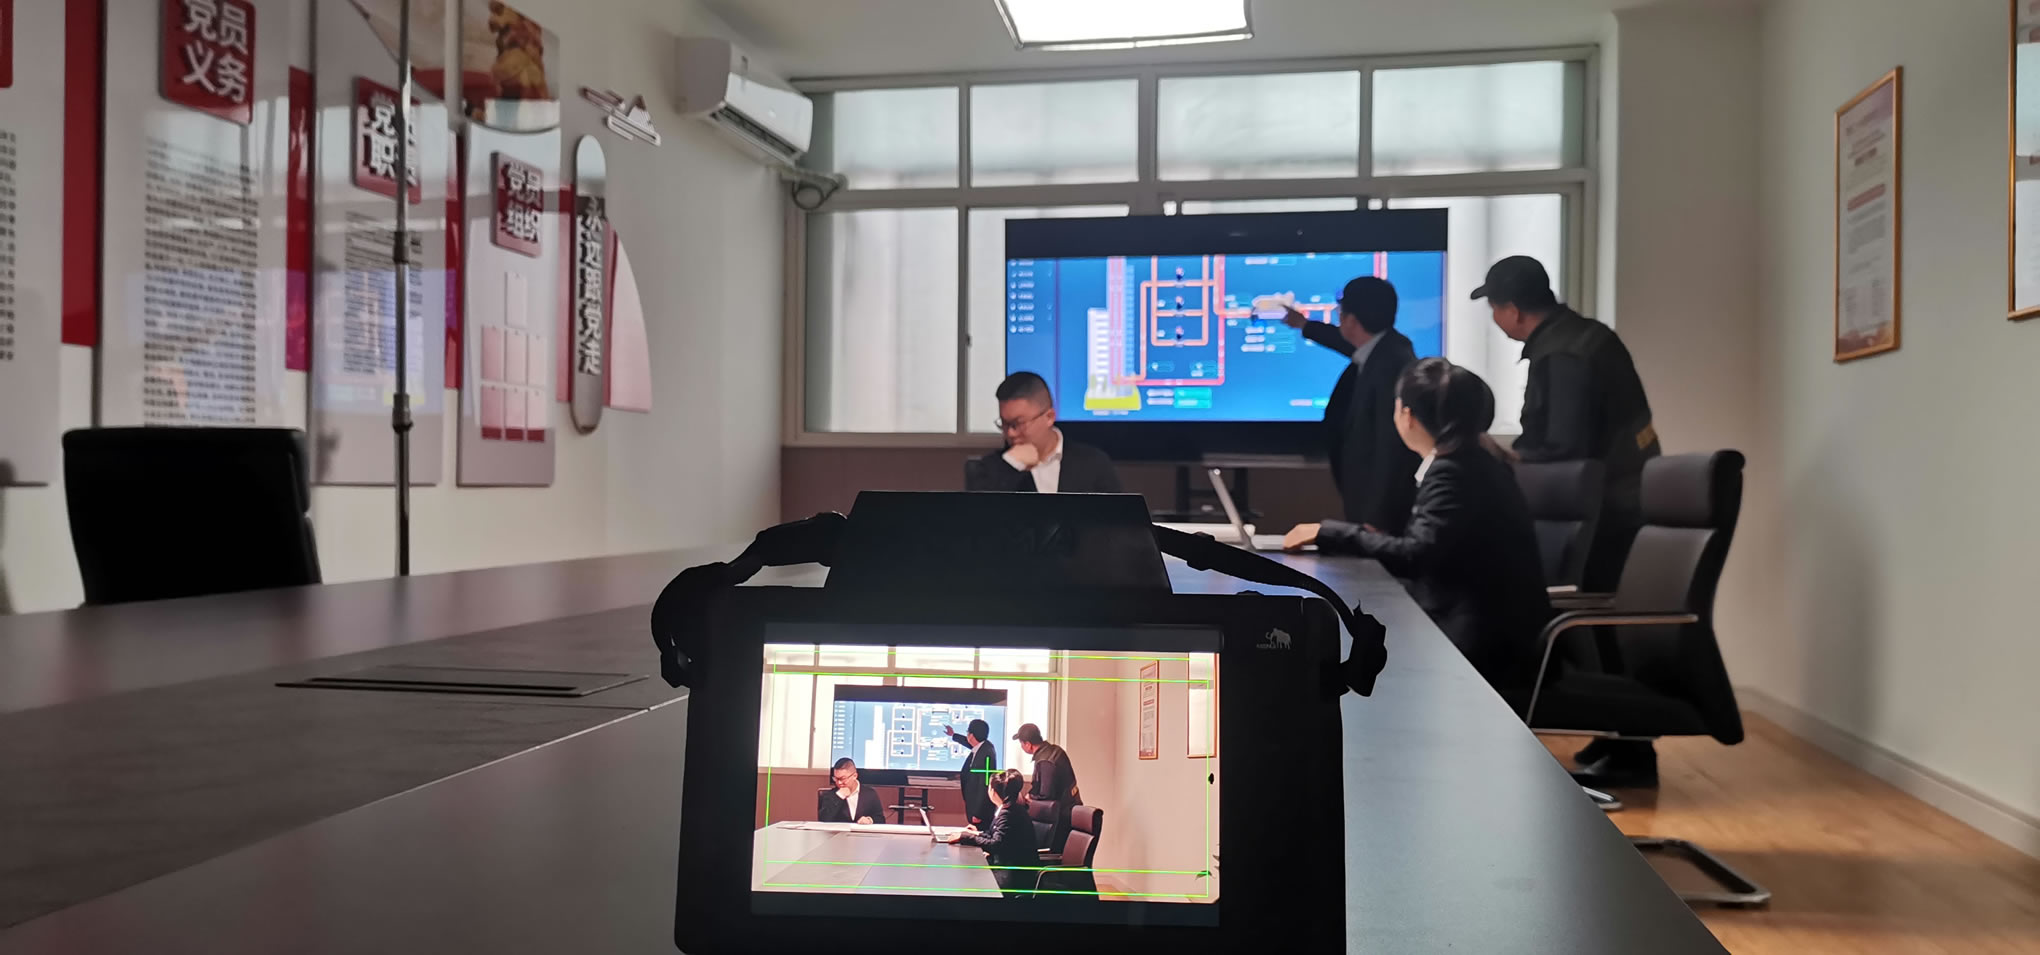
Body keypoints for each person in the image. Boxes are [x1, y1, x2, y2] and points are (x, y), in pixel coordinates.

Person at [1472, 256, 1662, 787]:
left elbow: (1563, 444)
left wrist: (1505, 459)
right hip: (1620, 500)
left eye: (1494, 309)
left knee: (1597, 624)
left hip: (1606, 511)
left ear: (1512, 310)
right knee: (1600, 624)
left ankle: (1632, 748)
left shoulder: (1563, 353)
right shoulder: (1583, 336)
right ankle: (1617, 738)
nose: (1495, 320)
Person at [1282, 359, 1552, 693]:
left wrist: (1328, 532)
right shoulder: (1481, 460)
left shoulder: (1452, 471)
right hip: (1495, 633)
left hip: (1481, 649)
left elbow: (1416, 555)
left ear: (1406, 415)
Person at [1282, 276, 1423, 534]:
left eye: (1341, 313)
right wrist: (1304, 325)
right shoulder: (1385, 349)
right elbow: (1343, 341)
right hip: (1369, 508)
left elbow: (1390, 450)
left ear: (1351, 320)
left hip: (1379, 518)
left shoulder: (1388, 367)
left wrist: (1377, 521)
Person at [966, 372, 1122, 494]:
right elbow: (982, 519)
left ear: (1049, 417)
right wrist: (1011, 466)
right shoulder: (988, 469)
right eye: (1004, 424)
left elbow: (1115, 521)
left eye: (1018, 424)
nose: (1011, 433)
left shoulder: (1093, 463)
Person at [939, 768, 1039, 899]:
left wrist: (965, 837)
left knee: (967, 879)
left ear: (993, 791)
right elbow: (997, 837)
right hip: (1010, 868)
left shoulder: (1008, 814)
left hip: (1012, 875)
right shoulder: (1010, 809)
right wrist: (977, 834)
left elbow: (996, 844)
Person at [1012, 722, 1081, 854]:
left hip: (1060, 819)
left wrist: (1030, 798)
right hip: (1069, 811)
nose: (1022, 747)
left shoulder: (1045, 762)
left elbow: (1046, 794)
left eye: (1021, 743)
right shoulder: (1055, 750)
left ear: (1028, 744)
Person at [944, 718, 998, 828]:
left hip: (980, 813)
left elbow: (984, 785)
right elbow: (969, 743)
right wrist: (953, 735)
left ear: (972, 735)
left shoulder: (986, 755)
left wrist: (978, 813)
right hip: (974, 805)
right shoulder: (984, 747)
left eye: (967, 732)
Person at [817, 757, 885, 825]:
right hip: (839, 831)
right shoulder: (830, 795)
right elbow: (823, 819)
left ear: (854, 776)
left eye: (842, 779)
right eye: (836, 779)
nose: (839, 783)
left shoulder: (870, 794)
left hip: (861, 831)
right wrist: (839, 797)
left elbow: (880, 819)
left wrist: (869, 820)